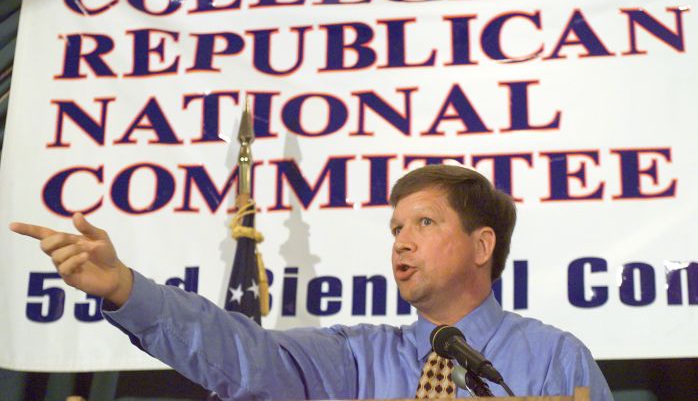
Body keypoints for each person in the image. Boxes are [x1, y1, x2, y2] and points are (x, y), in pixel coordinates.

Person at [10, 165, 613, 400]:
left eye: (424, 223)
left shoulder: (557, 359)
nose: (401, 241)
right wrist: (125, 289)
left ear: (483, 245)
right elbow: (245, 355)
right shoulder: (354, 357)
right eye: (396, 226)